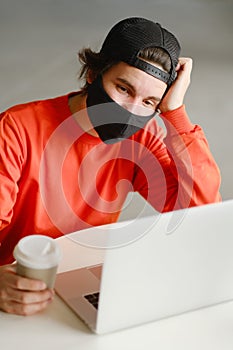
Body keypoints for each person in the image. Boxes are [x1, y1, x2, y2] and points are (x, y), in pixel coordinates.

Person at [0, 17, 221, 315]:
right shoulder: (15, 129)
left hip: (84, 286)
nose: (131, 111)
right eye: (124, 89)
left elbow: (201, 216)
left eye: (149, 102)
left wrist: (176, 113)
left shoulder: (144, 139)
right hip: (19, 289)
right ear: (93, 73)